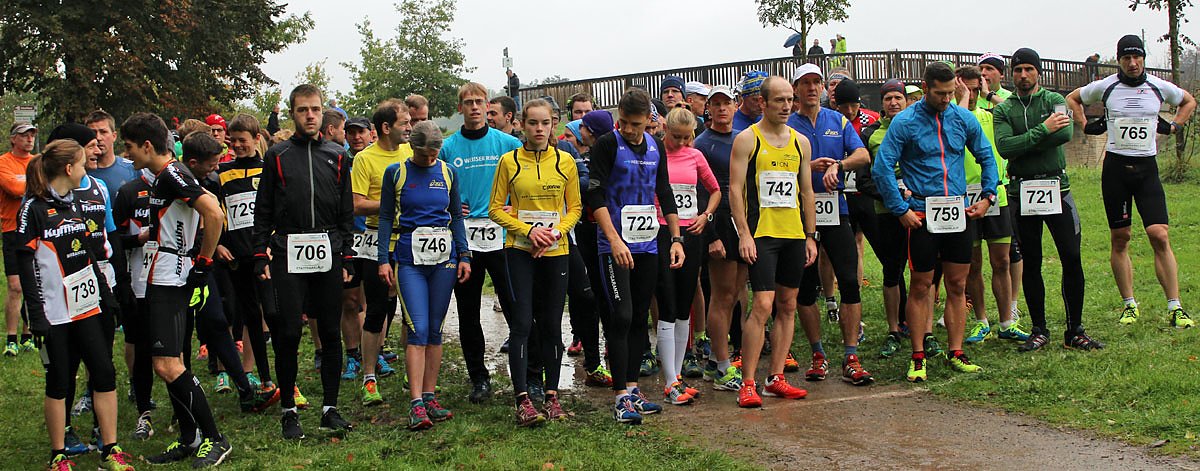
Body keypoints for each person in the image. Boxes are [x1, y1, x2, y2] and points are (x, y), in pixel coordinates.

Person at [872, 62, 999, 382]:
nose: (945, 99)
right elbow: (882, 167)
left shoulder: (963, 118)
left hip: (956, 211)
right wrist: (900, 209)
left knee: (958, 285)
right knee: (921, 285)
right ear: (925, 88)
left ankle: (956, 351)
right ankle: (917, 356)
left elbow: (987, 155)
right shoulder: (905, 122)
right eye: (939, 93)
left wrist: (988, 196)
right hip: (921, 214)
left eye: (950, 93)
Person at [121, 113, 232, 466]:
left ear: (147, 145)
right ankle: (189, 436)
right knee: (172, 362)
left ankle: (216, 438)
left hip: (171, 277)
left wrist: (204, 262)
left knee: (168, 365)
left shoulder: (172, 173)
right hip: (164, 273)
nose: (127, 153)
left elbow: (214, 213)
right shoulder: (169, 174)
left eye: (129, 146)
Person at [17, 139, 134, 471]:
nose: (86, 169)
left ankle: (110, 449)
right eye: (82, 164)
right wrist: (35, 314)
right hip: (53, 310)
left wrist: (107, 295)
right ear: (68, 169)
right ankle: (59, 454)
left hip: (86, 305)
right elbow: (24, 264)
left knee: (104, 372)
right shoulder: (33, 208)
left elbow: (88, 254)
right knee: (59, 380)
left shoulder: (74, 203)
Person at [1067, 36, 1197, 329]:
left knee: (1159, 235)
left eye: (1137, 57)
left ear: (1143, 59)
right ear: (1119, 60)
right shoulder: (1106, 86)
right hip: (1116, 171)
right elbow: (1073, 98)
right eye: (1126, 58)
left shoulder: (1158, 87)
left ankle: (1175, 307)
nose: (1133, 63)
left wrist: (1174, 125)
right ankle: (1129, 304)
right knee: (1121, 238)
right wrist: (1084, 123)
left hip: (1146, 170)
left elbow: (1189, 101)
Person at [253, 84, 356, 439]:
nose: (310, 116)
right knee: (289, 333)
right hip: (288, 249)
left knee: (329, 331)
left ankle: (330, 409)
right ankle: (289, 410)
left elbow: (346, 210)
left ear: (322, 111)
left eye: (315, 109)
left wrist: (348, 255)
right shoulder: (277, 155)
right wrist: (259, 253)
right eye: (302, 110)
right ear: (292, 113)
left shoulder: (338, 155)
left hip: (328, 248)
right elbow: (263, 208)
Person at [588, 89, 683, 424]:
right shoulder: (607, 145)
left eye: (636, 124)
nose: (628, 129)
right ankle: (619, 397)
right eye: (624, 122)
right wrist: (614, 240)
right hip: (614, 245)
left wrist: (676, 239)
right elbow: (595, 195)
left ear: (649, 121)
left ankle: (632, 389)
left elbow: (664, 192)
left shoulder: (656, 147)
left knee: (640, 316)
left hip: (647, 244)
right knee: (622, 316)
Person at [996, 48, 1101, 351]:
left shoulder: (1054, 100)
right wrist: (1043, 129)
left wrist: (1024, 141)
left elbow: (1064, 135)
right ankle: (1039, 329)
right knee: (1032, 262)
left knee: (1071, 257)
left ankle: (1075, 330)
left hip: (1057, 188)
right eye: (1018, 70)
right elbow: (1005, 147)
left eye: (1029, 69)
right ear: (1012, 74)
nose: (1023, 75)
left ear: (1038, 72)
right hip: (1022, 192)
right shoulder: (1004, 109)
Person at [487, 99, 582, 426]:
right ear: (522, 125)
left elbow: (575, 208)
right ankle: (523, 399)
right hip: (520, 251)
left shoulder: (565, 161)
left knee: (553, 323)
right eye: (533, 123)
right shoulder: (509, 161)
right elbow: (495, 209)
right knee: (523, 324)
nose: (539, 129)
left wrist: (555, 233)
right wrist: (530, 232)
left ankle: (552, 396)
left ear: (553, 124)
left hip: (555, 250)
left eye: (545, 123)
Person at [728, 76, 817, 407]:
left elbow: (806, 191)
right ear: (762, 103)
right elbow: (735, 189)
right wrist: (743, 233)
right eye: (779, 100)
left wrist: (810, 236)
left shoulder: (800, 142)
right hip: (761, 234)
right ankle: (748, 382)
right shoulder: (746, 139)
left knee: (788, 304)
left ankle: (775, 377)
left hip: (793, 233)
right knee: (763, 304)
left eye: (790, 99)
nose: (787, 106)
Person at [377, 121, 470, 430]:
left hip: (444, 260)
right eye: (424, 155)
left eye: (434, 155)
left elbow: (456, 216)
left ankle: (430, 396)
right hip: (410, 259)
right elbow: (386, 217)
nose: (430, 160)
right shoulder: (396, 173)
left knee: (435, 329)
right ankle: (416, 403)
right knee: (417, 328)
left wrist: (464, 254)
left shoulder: (447, 172)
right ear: (413, 148)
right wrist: (383, 259)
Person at [786, 64, 874, 386]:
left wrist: (839, 164)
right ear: (796, 89)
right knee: (806, 288)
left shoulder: (837, 121)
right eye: (805, 83)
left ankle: (851, 356)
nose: (811, 88)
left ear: (823, 87)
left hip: (836, 211)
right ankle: (818, 354)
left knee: (849, 280)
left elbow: (863, 154)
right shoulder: (786, 125)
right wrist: (807, 166)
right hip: (799, 216)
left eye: (816, 82)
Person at [441, 82, 522, 404]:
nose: (474, 107)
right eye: (468, 102)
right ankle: (479, 378)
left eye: (479, 101)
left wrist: (515, 206)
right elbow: (437, 186)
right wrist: (448, 206)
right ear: (459, 108)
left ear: (488, 106)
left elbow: (524, 183)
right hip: (466, 241)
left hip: (502, 237)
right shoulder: (448, 147)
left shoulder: (508, 143)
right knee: (468, 311)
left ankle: (526, 373)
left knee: (515, 307)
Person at [951, 66, 1031, 345]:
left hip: (995, 195)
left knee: (1003, 260)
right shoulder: (950, 116)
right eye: (965, 89)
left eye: (975, 89)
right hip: (964, 197)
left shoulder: (990, 114)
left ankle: (1007, 321)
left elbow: (1016, 112)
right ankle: (981, 321)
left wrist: (988, 94)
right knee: (972, 264)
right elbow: (957, 123)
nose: (971, 94)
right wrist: (961, 97)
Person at [654, 108, 720, 405]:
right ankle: (669, 382)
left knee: (684, 305)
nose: (681, 142)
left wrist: (706, 215)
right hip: (662, 232)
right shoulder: (656, 154)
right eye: (676, 136)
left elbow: (715, 190)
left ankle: (677, 377)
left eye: (686, 137)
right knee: (667, 303)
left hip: (692, 233)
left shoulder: (695, 156)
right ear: (665, 129)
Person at [350, 99, 412, 406]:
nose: (410, 127)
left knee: (411, 313)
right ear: (386, 127)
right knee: (376, 310)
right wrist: (393, 201)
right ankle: (369, 377)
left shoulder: (411, 152)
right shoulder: (365, 159)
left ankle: (411, 372)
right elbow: (357, 204)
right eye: (404, 122)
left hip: (409, 240)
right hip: (375, 241)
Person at [215, 114, 279, 400]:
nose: (238, 145)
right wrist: (218, 245)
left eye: (243, 140)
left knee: (273, 315)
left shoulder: (267, 170)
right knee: (251, 318)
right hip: (237, 258)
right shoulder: (222, 172)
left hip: (265, 254)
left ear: (257, 139)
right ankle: (265, 378)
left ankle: (288, 379)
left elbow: (278, 210)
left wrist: (272, 243)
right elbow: (216, 212)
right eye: (234, 140)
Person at [694, 85, 747, 392]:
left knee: (737, 291)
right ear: (709, 109)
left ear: (735, 105)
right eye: (716, 104)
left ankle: (716, 359)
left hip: (742, 219)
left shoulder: (743, 137)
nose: (722, 108)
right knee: (722, 295)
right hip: (719, 220)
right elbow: (701, 191)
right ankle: (723, 367)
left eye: (727, 103)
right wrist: (712, 235)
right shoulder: (702, 143)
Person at [863, 79, 913, 358]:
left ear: (906, 101)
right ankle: (894, 328)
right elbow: (864, 179)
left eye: (898, 98)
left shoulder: (918, 126)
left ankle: (920, 327)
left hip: (918, 210)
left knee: (922, 270)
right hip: (886, 212)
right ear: (881, 103)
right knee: (892, 270)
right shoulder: (871, 133)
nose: (893, 102)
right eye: (888, 98)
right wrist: (892, 194)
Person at [112, 164, 158, 441]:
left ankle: (183, 412)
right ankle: (144, 411)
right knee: (142, 348)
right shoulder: (129, 192)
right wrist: (137, 239)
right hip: (139, 282)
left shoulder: (180, 187)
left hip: (172, 280)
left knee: (176, 350)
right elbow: (114, 239)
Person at [1, 122, 37, 356]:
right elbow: (13, 188)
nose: (29, 139)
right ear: (13, 139)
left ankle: (28, 335)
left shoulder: (36, 162)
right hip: (12, 230)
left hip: (34, 228)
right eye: (24, 135)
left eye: (32, 135)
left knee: (33, 283)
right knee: (16, 286)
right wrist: (35, 184)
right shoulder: (3, 162)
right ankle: (11, 338)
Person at [84, 110, 138, 194]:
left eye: (103, 132)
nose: (98, 137)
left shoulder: (133, 169)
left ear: (114, 136)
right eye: (93, 133)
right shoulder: (80, 172)